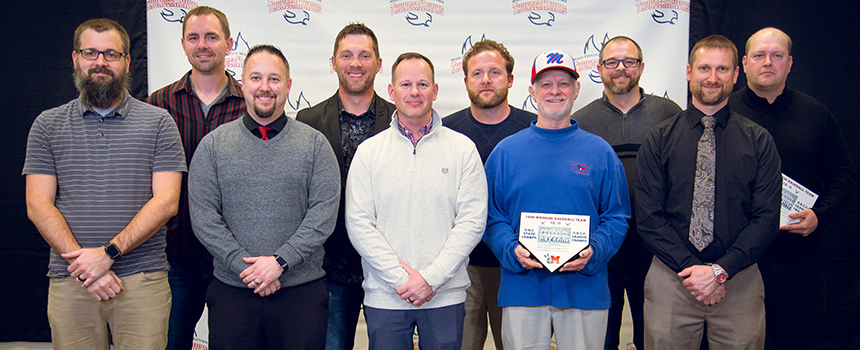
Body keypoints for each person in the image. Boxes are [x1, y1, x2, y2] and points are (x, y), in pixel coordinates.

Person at [23, 18, 186, 349]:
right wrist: (86, 268)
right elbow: (37, 205)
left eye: (111, 54)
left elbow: (167, 202)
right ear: (75, 59)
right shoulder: (47, 125)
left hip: (142, 280)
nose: (100, 62)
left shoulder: (159, 123)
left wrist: (108, 254)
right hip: (72, 281)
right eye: (91, 53)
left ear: (127, 62)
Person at [188, 44, 339, 349]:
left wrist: (279, 263)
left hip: (301, 294)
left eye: (274, 79)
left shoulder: (315, 145)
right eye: (256, 78)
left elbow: (323, 214)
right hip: (234, 293)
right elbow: (204, 218)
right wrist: (247, 269)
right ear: (242, 83)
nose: (265, 87)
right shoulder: (213, 146)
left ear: (288, 85)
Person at [635, 35, 782, 349]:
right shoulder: (659, 138)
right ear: (689, 72)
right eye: (704, 68)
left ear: (735, 75)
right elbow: (649, 217)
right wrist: (694, 271)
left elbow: (766, 219)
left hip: (738, 280)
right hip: (671, 279)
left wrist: (720, 271)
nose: (712, 78)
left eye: (722, 69)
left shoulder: (759, 141)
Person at [483, 49, 631, 350]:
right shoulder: (505, 152)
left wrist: (595, 250)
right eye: (546, 83)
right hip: (522, 289)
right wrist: (511, 249)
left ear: (576, 89)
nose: (555, 91)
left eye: (564, 83)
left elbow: (617, 217)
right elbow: (489, 216)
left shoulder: (600, 152)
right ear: (532, 92)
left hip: (584, 291)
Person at [345, 52, 488, 350]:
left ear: (435, 91)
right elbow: (359, 224)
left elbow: (472, 222)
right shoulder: (370, 152)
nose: (414, 92)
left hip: (444, 295)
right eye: (406, 84)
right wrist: (401, 279)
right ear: (391, 91)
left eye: (423, 84)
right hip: (386, 296)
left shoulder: (463, 149)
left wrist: (431, 279)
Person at [728, 27, 856, 350]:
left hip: (799, 263)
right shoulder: (724, 115)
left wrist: (820, 216)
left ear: (790, 63)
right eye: (759, 55)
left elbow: (843, 176)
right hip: (737, 263)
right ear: (743, 64)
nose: (767, 62)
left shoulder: (816, 114)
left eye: (777, 55)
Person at [572, 35, 682, 350]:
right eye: (612, 62)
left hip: (657, 251)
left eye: (629, 61)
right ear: (599, 69)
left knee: (654, 337)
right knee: (601, 338)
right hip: (601, 250)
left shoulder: (668, 113)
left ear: (642, 67)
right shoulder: (584, 120)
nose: (621, 69)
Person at [146, 6, 245, 349]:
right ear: (183, 45)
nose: (203, 45)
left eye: (212, 37)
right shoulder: (158, 104)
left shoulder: (251, 104)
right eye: (194, 37)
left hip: (234, 256)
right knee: (171, 342)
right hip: (175, 254)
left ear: (229, 43)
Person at [295, 23, 395, 350]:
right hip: (329, 270)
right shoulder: (308, 121)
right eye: (347, 55)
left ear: (379, 64)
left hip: (390, 268)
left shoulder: (400, 119)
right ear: (333, 62)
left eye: (364, 56)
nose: (355, 63)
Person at [441, 39, 535, 350]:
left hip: (518, 267)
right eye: (477, 73)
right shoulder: (445, 132)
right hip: (460, 266)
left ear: (510, 79)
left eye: (494, 72)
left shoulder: (532, 128)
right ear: (465, 80)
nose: (485, 80)